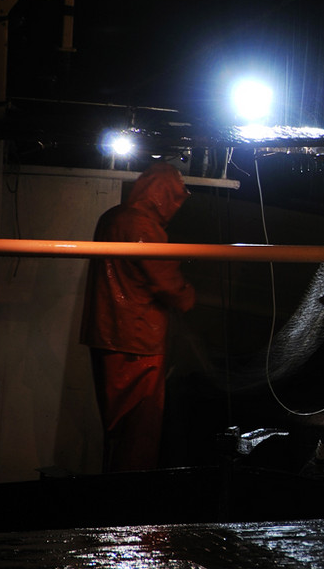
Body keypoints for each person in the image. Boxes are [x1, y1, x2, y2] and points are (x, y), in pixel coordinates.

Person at [81, 162, 196, 472]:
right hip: (139, 340)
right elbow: (166, 281)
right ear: (164, 195)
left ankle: (113, 493)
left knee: (116, 424)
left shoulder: (111, 217)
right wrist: (188, 297)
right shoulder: (144, 227)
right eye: (174, 197)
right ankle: (130, 502)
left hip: (105, 332)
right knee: (140, 429)